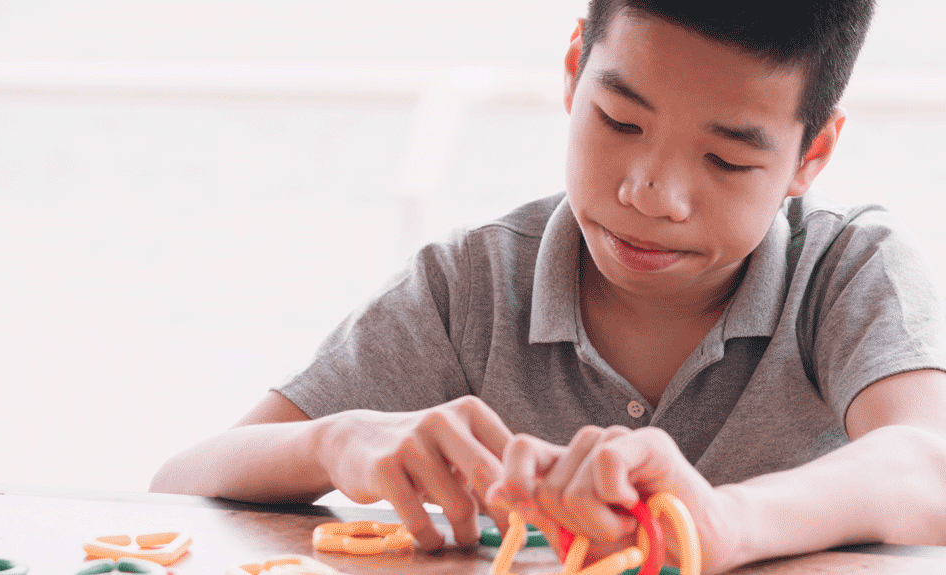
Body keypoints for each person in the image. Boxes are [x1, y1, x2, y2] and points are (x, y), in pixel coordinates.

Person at [150, 1, 946, 573]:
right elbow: (179, 482)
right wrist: (336, 438)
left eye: (726, 161)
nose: (652, 193)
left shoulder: (848, 270)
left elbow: (929, 464)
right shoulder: (470, 286)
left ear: (813, 155)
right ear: (574, 70)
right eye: (620, 121)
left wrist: (724, 523)